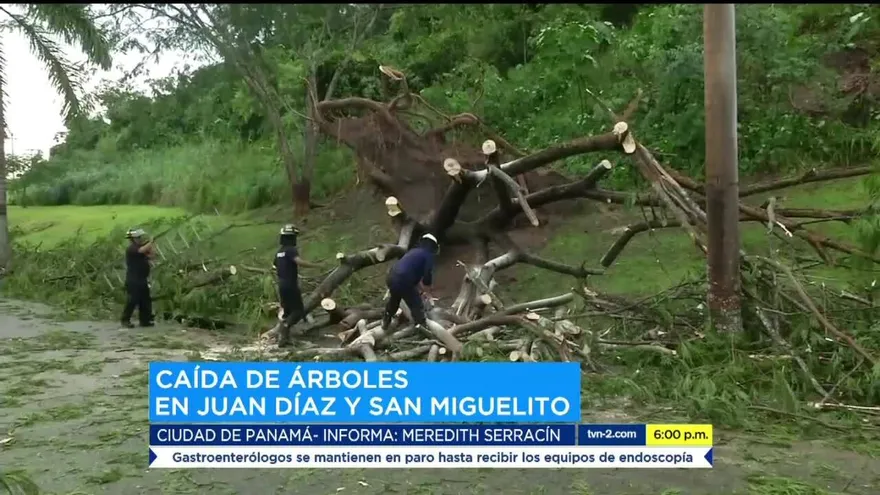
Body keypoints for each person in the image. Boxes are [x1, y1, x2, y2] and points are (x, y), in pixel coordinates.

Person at [274, 224, 322, 346]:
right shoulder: (291, 250)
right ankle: (284, 328)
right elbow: (298, 261)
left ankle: (284, 339)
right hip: (290, 284)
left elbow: (275, 266)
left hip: (281, 284)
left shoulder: (279, 252)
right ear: (291, 237)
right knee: (298, 311)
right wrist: (315, 265)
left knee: (287, 312)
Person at [382, 233, 439, 330]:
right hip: (404, 280)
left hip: (391, 277)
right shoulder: (428, 255)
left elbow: (413, 276)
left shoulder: (413, 252)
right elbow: (427, 276)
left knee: (395, 299)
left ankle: (386, 319)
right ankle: (421, 326)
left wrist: (423, 291)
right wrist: (428, 292)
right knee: (416, 304)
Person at [121, 228, 155, 328]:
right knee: (132, 300)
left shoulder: (141, 247)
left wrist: (151, 246)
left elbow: (152, 256)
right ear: (134, 238)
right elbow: (141, 251)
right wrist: (150, 242)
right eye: (139, 237)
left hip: (142, 278)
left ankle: (145, 320)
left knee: (145, 300)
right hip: (133, 279)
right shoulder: (132, 248)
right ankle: (125, 320)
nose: (140, 239)